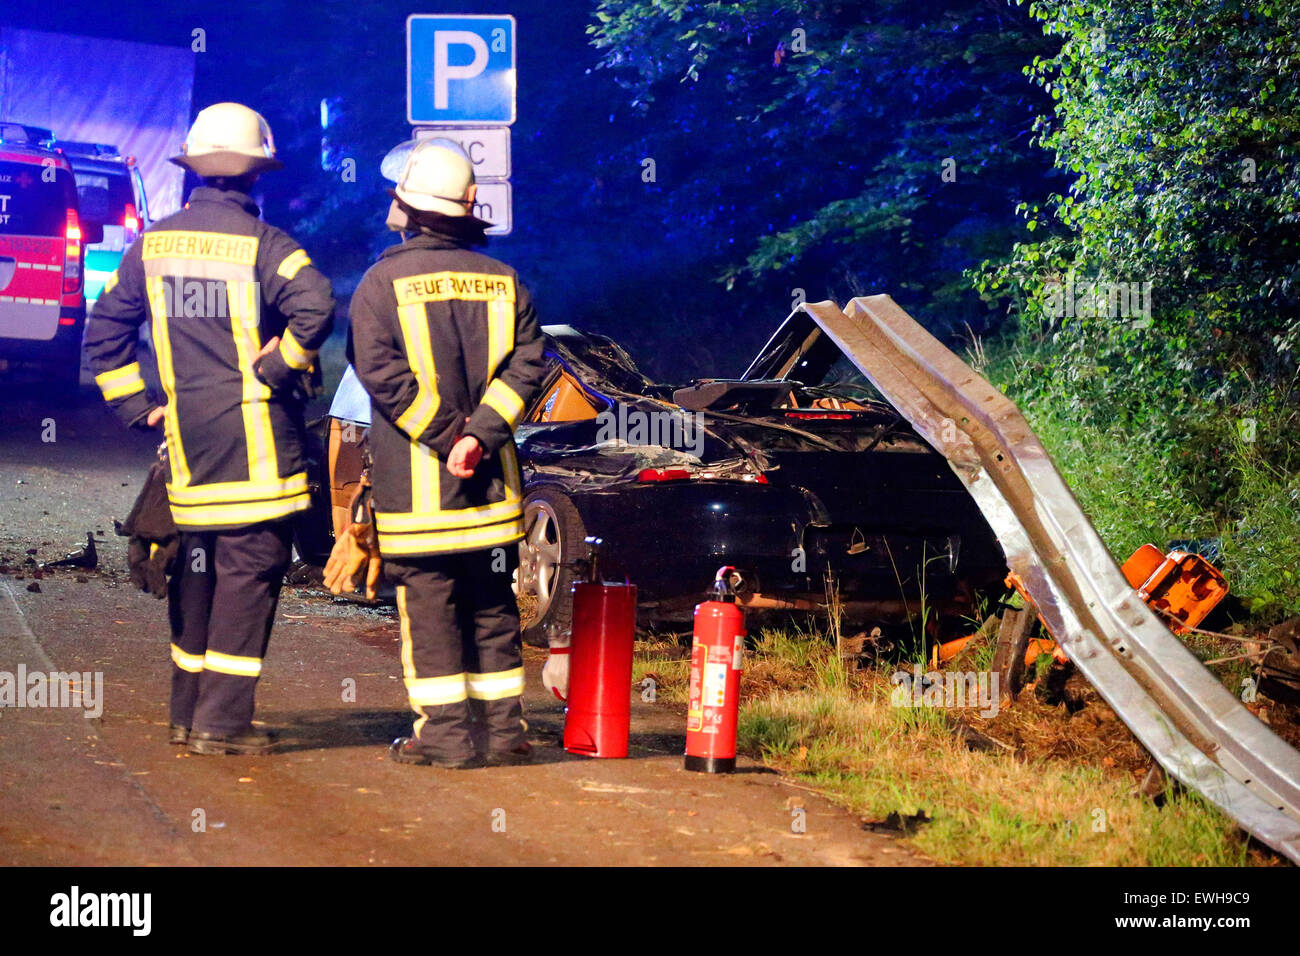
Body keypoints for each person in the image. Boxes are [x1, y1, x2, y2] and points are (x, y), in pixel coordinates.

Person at [84, 102, 335, 755]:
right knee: (249, 576)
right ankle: (221, 727)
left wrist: (142, 407)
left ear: (194, 169)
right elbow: (316, 305)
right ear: (256, 176)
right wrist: (279, 365)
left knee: (195, 573)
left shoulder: (153, 245)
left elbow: (104, 334)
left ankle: (186, 714)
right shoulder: (267, 245)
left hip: (188, 455)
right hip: (257, 455)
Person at [349, 139, 546, 769]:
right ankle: (504, 735)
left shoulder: (380, 283)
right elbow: (529, 369)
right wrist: (480, 435)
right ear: (464, 210)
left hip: (420, 498)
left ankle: (448, 739)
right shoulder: (506, 281)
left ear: (408, 208)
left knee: (430, 615)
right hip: (492, 496)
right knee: (492, 609)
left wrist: (445, 438)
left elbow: (382, 377)